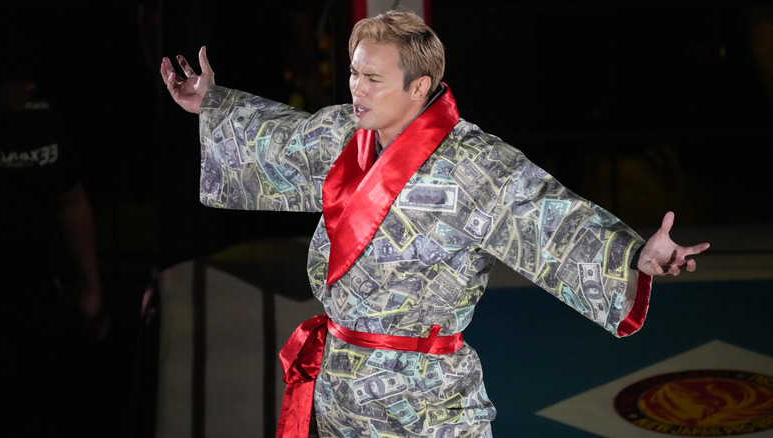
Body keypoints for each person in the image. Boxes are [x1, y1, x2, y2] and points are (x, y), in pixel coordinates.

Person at [160, 9, 710, 437]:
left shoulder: (474, 162)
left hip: (427, 402)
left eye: (372, 78)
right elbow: (278, 137)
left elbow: (549, 217)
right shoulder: (340, 139)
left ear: (419, 87)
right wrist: (213, 103)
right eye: (353, 73)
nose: (356, 89)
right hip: (341, 388)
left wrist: (633, 256)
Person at [0, 52, 109, 437]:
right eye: (16, 79)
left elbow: (70, 201)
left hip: (36, 291)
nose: (29, 87)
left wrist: (91, 288)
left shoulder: (41, 123)